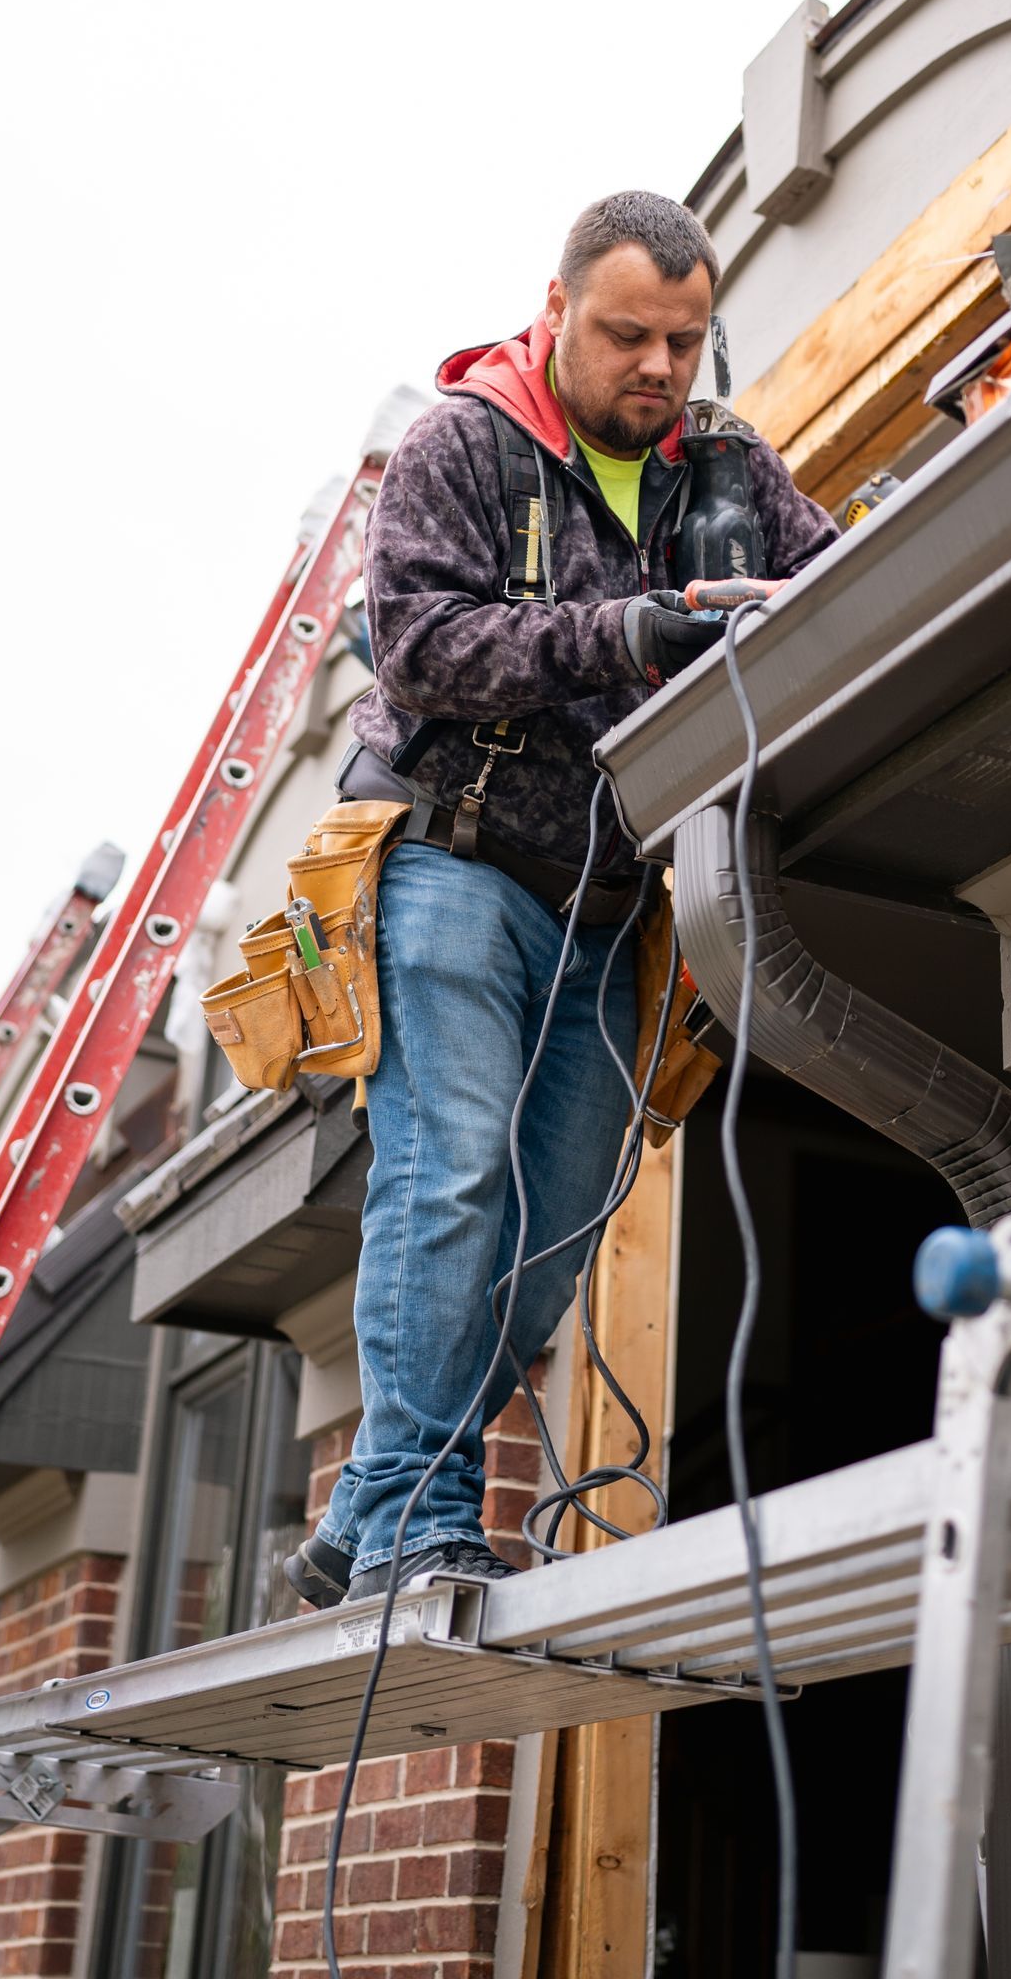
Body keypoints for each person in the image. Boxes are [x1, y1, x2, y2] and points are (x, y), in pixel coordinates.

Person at [284, 189, 835, 1607]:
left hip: (610, 912)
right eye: (627, 335)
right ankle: (415, 1524)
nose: (658, 368)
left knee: (550, 1240)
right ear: (556, 311)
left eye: (686, 342)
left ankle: (364, 1500)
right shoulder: (460, 447)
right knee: (451, 1178)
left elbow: (836, 584)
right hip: (453, 872)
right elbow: (415, 641)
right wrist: (629, 631)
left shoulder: (727, 469)